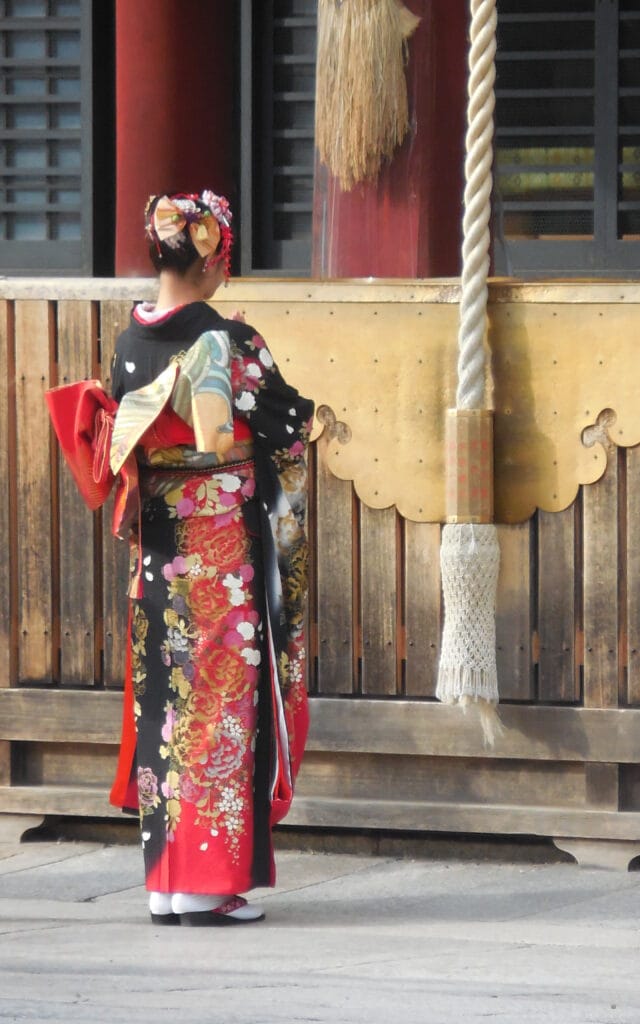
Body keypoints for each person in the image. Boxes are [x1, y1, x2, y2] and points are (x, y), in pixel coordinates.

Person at [94, 191, 312, 925]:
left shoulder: (128, 343)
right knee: (219, 709)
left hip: (157, 549)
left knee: (166, 710)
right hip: (221, 552)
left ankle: (165, 884)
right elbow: (280, 421)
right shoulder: (227, 341)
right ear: (214, 254)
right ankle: (208, 886)